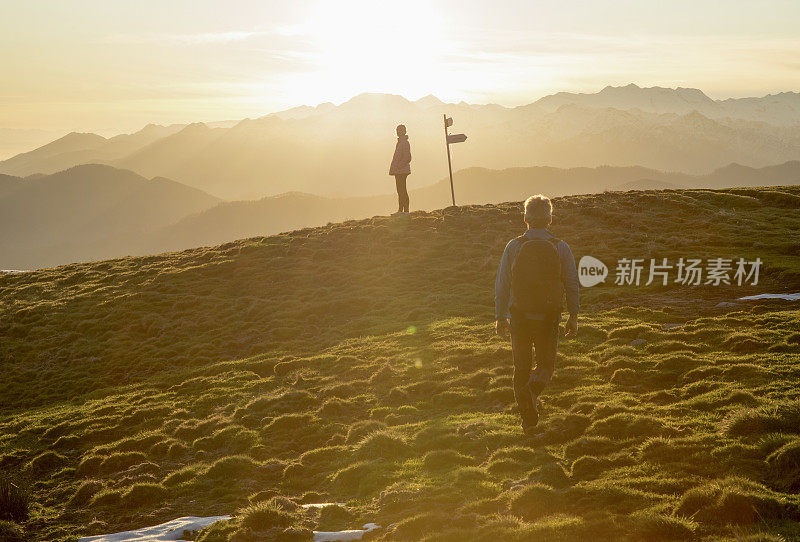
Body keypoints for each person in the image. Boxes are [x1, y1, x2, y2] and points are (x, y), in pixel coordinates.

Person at [494, 194, 579, 435]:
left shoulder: (514, 246)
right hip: (549, 317)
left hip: (519, 317)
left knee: (520, 368)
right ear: (550, 220)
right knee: (545, 367)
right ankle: (532, 392)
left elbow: (502, 284)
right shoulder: (561, 247)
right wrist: (573, 315)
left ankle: (528, 422)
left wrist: (500, 316)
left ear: (525, 219)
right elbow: (571, 283)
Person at [389, 124, 411, 214]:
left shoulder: (404, 142)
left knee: (402, 190)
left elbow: (408, 157)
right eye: (397, 130)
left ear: (404, 131)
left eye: (400, 130)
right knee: (400, 190)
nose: (398, 132)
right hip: (400, 171)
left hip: (401, 171)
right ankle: (401, 210)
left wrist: (398, 166)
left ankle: (404, 210)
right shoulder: (401, 142)